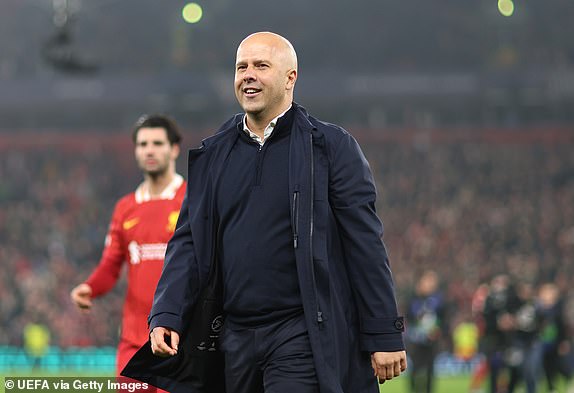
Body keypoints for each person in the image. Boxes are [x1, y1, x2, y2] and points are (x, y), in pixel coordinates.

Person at [147, 31, 407, 393]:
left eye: (261, 66)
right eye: (241, 67)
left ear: (290, 78)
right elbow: (188, 242)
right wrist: (167, 312)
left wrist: (382, 331)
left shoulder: (330, 147)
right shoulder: (213, 155)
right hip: (232, 336)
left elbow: (364, 244)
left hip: (301, 332)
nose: (247, 74)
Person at [70, 114, 185, 382]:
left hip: (181, 336)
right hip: (134, 339)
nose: (150, 150)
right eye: (143, 144)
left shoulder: (192, 200)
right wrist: (91, 287)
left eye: (157, 143)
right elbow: (111, 264)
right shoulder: (125, 208)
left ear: (174, 149)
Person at [405, 270, 449, 393]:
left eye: (433, 281)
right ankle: (414, 389)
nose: (431, 284)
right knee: (415, 369)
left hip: (432, 340)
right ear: (421, 281)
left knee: (431, 370)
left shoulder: (439, 299)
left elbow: (444, 319)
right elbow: (409, 317)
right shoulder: (413, 298)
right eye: (428, 280)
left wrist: (438, 330)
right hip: (416, 340)